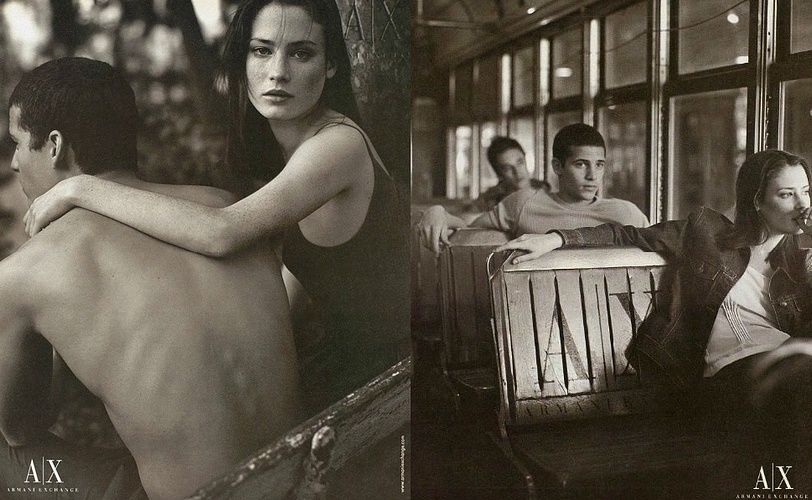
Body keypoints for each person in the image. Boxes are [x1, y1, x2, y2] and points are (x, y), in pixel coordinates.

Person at [22, 0, 409, 411]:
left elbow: (221, 231)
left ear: (330, 65)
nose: (278, 71)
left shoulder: (337, 146)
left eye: (301, 52)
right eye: (262, 50)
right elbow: (299, 286)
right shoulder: (298, 146)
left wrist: (79, 189)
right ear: (243, 61)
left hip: (385, 389)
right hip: (344, 377)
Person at [0, 57, 301, 499]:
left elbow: (21, 430)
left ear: (55, 146)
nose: (12, 163)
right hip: (299, 478)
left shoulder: (23, 273)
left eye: (18, 143)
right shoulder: (221, 206)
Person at [496, 150, 812, 487]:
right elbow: (630, 235)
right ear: (757, 202)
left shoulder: (799, 262)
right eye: (786, 194)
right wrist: (556, 238)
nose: (802, 205)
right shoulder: (707, 233)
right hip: (725, 373)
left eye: (806, 191)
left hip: (785, 364)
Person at [416, 123, 649, 254]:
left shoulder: (627, 213)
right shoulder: (523, 203)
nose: (592, 176)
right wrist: (437, 211)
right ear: (557, 166)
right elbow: (467, 224)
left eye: (599, 165)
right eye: (580, 164)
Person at [478, 136, 549, 210]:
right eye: (507, 168)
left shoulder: (548, 195)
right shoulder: (490, 204)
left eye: (520, 162)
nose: (517, 172)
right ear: (498, 173)